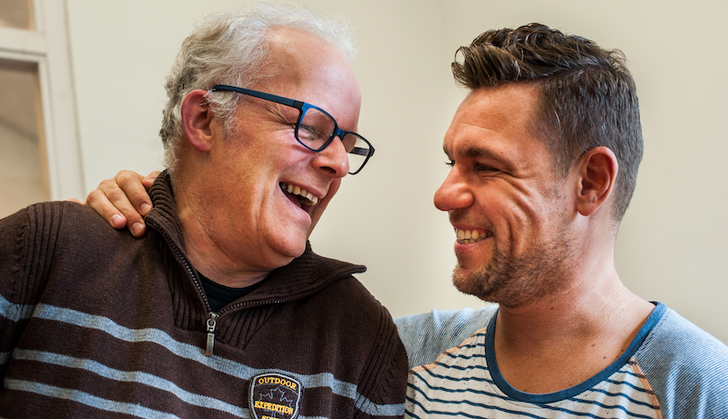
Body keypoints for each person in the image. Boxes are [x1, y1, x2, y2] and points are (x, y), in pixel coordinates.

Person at [90, 23, 728, 418]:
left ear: (590, 183)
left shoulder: (696, 388)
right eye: (452, 163)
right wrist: (163, 210)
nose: (445, 195)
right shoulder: (401, 356)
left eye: (486, 166)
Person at [0, 1, 408, 418]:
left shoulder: (362, 339)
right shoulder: (43, 250)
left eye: (347, 146)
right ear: (203, 119)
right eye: (310, 127)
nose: (339, 164)